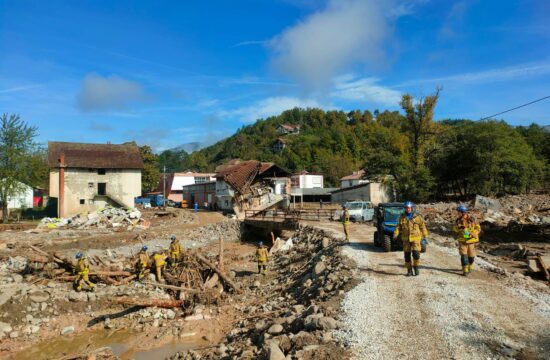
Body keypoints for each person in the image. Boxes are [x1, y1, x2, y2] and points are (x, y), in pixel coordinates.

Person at [393, 201, 428, 276]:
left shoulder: (417, 217)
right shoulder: (401, 217)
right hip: (406, 239)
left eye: (409, 208)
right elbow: (398, 227)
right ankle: (409, 270)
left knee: (416, 254)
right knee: (407, 255)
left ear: (411, 208)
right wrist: (395, 234)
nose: (407, 209)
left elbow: (422, 226)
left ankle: (416, 267)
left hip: (416, 239)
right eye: (406, 208)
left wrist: (425, 235)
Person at [453, 205, 481, 276]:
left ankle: (470, 266)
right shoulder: (458, 221)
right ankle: (465, 270)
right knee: (464, 256)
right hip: (462, 242)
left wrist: (474, 233)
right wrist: (458, 228)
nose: (457, 214)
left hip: (471, 241)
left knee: (471, 257)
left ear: (463, 213)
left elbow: (478, 228)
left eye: (458, 212)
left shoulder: (472, 219)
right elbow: (454, 229)